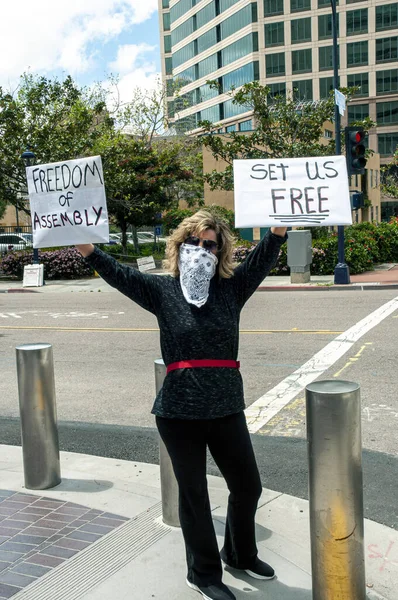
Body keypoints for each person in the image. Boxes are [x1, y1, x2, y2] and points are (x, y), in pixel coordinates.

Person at [76, 210, 287, 600]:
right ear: (179, 245)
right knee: (195, 498)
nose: (201, 250)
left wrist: (278, 230)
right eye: (194, 242)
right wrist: (88, 249)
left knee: (248, 487)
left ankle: (240, 554)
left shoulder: (231, 289)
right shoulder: (163, 291)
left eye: (210, 244)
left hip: (226, 407)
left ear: (220, 250)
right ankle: (203, 574)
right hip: (178, 412)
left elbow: (262, 258)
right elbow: (121, 274)